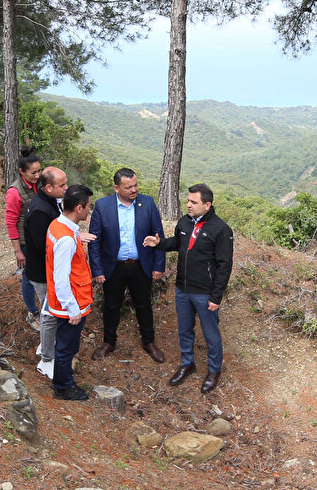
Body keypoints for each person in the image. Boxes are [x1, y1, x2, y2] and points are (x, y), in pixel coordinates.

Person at [143, 183, 234, 393]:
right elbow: (179, 243)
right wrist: (160, 243)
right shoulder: (185, 222)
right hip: (183, 288)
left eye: (194, 202)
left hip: (205, 292)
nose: (189, 205)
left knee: (211, 333)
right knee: (184, 329)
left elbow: (224, 266)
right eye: (188, 201)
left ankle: (213, 370)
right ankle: (187, 364)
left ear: (207, 205)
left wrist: (216, 296)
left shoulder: (221, 230)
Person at [87, 168, 166, 364]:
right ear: (117, 187)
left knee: (144, 305)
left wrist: (158, 265)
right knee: (112, 305)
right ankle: (109, 342)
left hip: (141, 265)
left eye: (135, 185)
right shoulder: (103, 206)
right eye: (128, 187)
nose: (134, 190)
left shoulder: (147, 203)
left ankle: (149, 342)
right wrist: (97, 270)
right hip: (114, 267)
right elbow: (94, 241)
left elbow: (158, 236)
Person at [45, 184, 96, 401]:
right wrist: (73, 308)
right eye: (88, 207)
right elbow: (61, 278)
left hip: (69, 298)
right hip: (71, 301)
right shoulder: (66, 239)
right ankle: (62, 387)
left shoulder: (58, 226)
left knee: (67, 345)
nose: (89, 211)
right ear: (78, 208)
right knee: (66, 347)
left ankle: (64, 379)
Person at [6, 147, 43, 329]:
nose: (37, 175)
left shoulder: (40, 184)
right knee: (29, 278)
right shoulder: (14, 191)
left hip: (40, 239)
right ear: (22, 172)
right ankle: (32, 312)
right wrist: (18, 251)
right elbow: (11, 222)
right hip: (25, 242)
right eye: (33, 173)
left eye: (39, 171)